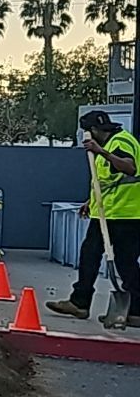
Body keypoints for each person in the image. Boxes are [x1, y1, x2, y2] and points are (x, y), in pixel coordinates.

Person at [46, 110, 140, 324]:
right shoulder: (109, 144)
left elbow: (130, 168)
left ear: (94, 131)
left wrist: (101, 152)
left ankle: (135, 309)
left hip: (126, 214)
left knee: (125, 263)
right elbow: (110, 181)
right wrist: (91, 202)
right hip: (108, 213)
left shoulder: (120, 142)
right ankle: (80, 302)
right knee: (90, 255)